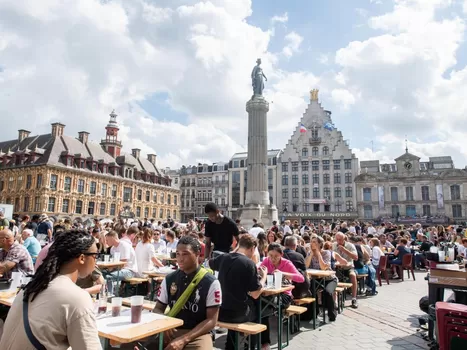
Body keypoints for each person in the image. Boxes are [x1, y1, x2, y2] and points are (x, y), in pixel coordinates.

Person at [0, 230, 102, 350]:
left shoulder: (30, 288)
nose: (96, 261)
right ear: (82, 258)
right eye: (95, 256)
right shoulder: (77, 297)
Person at [153, 236, 221, 350]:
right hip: (171, 329)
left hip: (198, 333)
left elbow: (212, 320)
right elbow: (158, 308)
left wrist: (184, 339)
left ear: (197, 253)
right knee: (132, 344)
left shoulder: (211, 282)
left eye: (185, 254)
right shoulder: (170, 279)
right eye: (177, 254)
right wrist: (164, 323)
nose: (180, 259)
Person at [210, 234, 266, 350]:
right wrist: (264, 277)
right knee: (259, 311)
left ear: (239, 245)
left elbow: (211, 263)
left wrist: (235, 250)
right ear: (252, 248)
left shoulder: (224, 257)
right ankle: (250, 347)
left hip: (220, 312)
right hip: (237, 315)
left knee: (235, 303)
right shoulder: (249, 264)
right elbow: (255, 294)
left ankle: (230, 346)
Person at [260, 243, 304, 349]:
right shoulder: (266, 261)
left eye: (276, 256)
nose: (273, 259)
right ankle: (259, 341)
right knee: (260, 306)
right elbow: (258, 267)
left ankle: (265, 343)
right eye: (270, 255)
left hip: (284, 295)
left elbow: (301, 278)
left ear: (281, 255)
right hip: (269, 294)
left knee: (263, 308)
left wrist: (283, 273)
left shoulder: (287, 263)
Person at [332, 232, 359, 308]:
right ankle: (335, 301)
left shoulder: (350, 246)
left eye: (340, 239)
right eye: (337, 239)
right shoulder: (333, 245)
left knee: (353, 276)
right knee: (332, 278)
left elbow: (356, 258)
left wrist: (344, 250)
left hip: (348, 267)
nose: (338, 241)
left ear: (344, 239)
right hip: (337, 268)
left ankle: (354, 298)